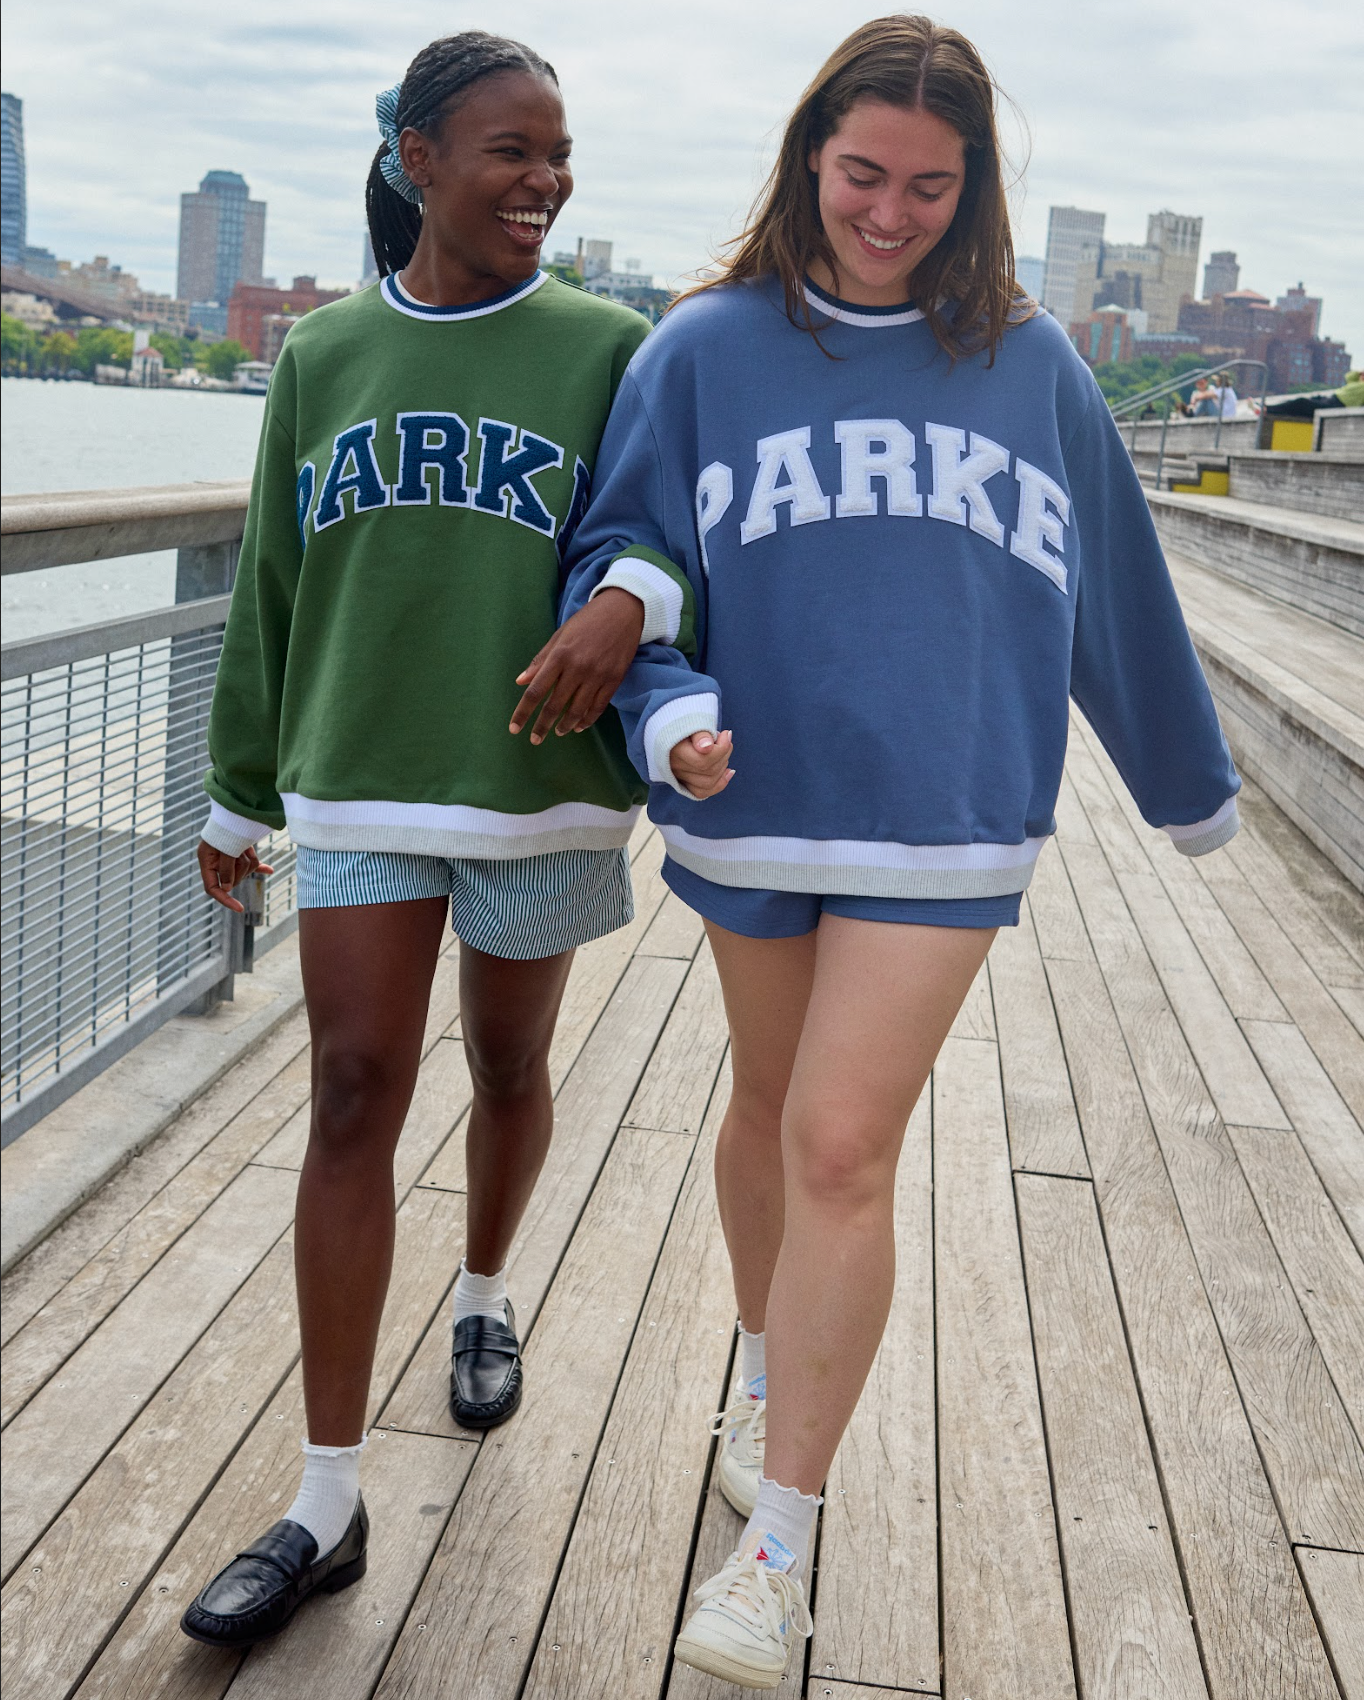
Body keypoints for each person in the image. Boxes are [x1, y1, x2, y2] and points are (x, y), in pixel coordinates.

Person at [530, 14, 1242, 1689]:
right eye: (863, 173)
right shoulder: (698, 348)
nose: (891, 211)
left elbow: (1116, 590)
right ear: (808, 160)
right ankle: (767, 1362)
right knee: (768, 1116)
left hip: (948, 808)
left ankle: (777, 1543)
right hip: (754, 786)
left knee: (843, 1146)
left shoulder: (1033, 362)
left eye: (932, 183)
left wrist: (1184, 782)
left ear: (975, 185)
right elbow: (623, 557)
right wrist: (661, 715)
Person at [180, 30, 651, 1648]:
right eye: (511, 150)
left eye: (558, 152)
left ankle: (485, 1295)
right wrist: (240, 793)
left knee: (508, 1070)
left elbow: (666, 527)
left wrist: (624, 598)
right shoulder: (319, 355)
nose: (546, 180)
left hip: (535, 784)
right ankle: (325, 1500)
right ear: (417, 160)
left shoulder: (606, 345)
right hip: (360, 776)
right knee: (351, 1088)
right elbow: (272, 588)